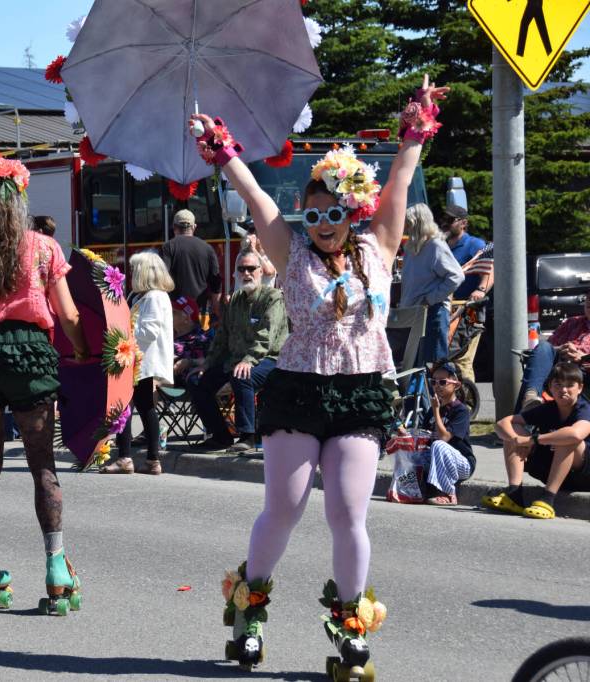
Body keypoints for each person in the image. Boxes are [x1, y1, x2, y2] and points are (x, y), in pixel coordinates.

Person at [193, 74, 448, 672]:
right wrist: (224, 150)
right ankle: (250, 610)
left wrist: (416, 125)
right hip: (300, 388)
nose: (323, 224)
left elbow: (402, 179)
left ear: (351, 210)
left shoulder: (378, 245)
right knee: (284, 507)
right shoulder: (290, 252)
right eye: (313, 215)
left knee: (349, 514)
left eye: (333, 212)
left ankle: (352, 625)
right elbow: (256, 196)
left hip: (361, 391)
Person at [0, 152, 88, 615]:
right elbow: (67, 314)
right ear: (20, 199)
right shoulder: (44, 248)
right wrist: (83, 351)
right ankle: (57, 568)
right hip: (30, 354)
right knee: (42, 465)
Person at [186, 248, 287, 453]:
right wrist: (207, 363)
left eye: (251, 268)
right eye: (241, 269)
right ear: (235, 273)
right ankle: (221, 436)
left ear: (261, 271)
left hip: (271, 359)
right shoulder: (235, 301)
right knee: (196, 380)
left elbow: (265, 338)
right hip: (237, 360)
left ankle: (247, 436)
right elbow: (222, 337)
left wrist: (248, 360)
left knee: (242, 376)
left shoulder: (273, 298)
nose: (246, 273)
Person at [100, 251, 174, 475]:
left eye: (134, 269)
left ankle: (126, 457)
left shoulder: (154, 297)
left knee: (127, 405)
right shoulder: (139, 295)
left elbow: (149, 331)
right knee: (142, 406)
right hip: (136, 359)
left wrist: (123, 333)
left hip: (142, 360)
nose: (131, 273)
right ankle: (151, 460)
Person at [487, 362, 590, 521]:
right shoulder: (548, 408)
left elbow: (576, 434)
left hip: (582, 476)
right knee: (513, 430)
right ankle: (514, 494)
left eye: (570, 385)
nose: (563, 390)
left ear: (580, 388)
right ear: (550, 386)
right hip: (550, 469)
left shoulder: (584, 409)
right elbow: (502, 424)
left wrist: (533, 440)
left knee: (566, 438)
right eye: (558, 384)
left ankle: (547, 499)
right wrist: (517, 440)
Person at [400, 203, 464, 365]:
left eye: (407, 222)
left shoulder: (435, 245)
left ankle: (444, 390)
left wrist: (430, 298)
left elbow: (456, 276)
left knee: (434, 367)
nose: (404, 226)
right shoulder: (411, 247)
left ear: (416, 223)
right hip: (412, 313)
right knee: (413, 367)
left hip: (433, 313)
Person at [441, 204, 493, 382]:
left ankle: (467, 407)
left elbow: (491, 269)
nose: (445, 223)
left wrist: (480, 290)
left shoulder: (474, 244)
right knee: (444, 360)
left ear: (464, 223)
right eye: (444, 219)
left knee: (462, 360)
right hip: (447, 309)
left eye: (450, 220)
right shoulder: (442, 245)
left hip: (468, 310)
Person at [412, 362, 475, 505]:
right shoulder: (433, 409)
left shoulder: (461, 411)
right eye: (433, 382)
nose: (437, 386)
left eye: (442, 382)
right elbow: (424, 436)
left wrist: (436, 411)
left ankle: (448, 494)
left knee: (439, 445)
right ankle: (410, 489)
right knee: (411, 452)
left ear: (456, 385)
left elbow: (444, 438)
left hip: (462, 463)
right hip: (438, 459)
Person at [516, 295, 590, 411]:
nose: (589, 300)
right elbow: (549, 347)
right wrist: (561, 349)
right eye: (588, 297)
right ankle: (531, 397)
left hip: (584, 372)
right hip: (559, 367)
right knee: (543, 347)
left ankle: (520, 422)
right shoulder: (572, 322)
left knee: (535, 375)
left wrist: (583, 357)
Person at [159, 208, 222, 317]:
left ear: (174, 227)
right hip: (200, 311)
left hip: (175, 311)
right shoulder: (207, 248)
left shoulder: (168, 248)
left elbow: (161, 278)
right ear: (194, 227)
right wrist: (217, 309)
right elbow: (216, 283)